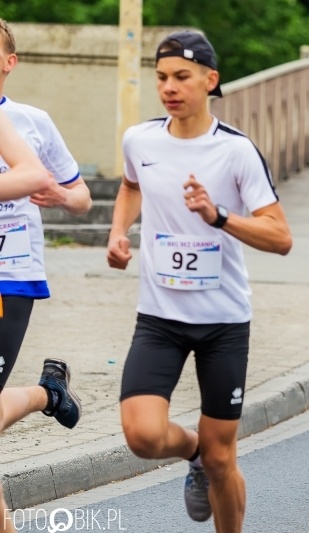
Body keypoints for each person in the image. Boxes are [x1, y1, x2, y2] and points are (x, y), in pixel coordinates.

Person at [106, 31, 292, 532]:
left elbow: (280, 237)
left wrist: (218, 216)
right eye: (162, 77)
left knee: (221, 459)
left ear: (210, 81)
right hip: (160, 318)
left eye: (181, 77)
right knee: (142, 436)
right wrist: (119, 232)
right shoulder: (139, 139)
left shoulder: (235, 151)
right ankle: (189, 448)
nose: (169, 87)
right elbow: (130, 185)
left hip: (223, 323)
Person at [0, 18, 91, 531]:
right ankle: (47, 394)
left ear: (9, 63)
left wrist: (59, 195)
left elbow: (79, 197)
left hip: (10, 273)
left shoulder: (31, 121)